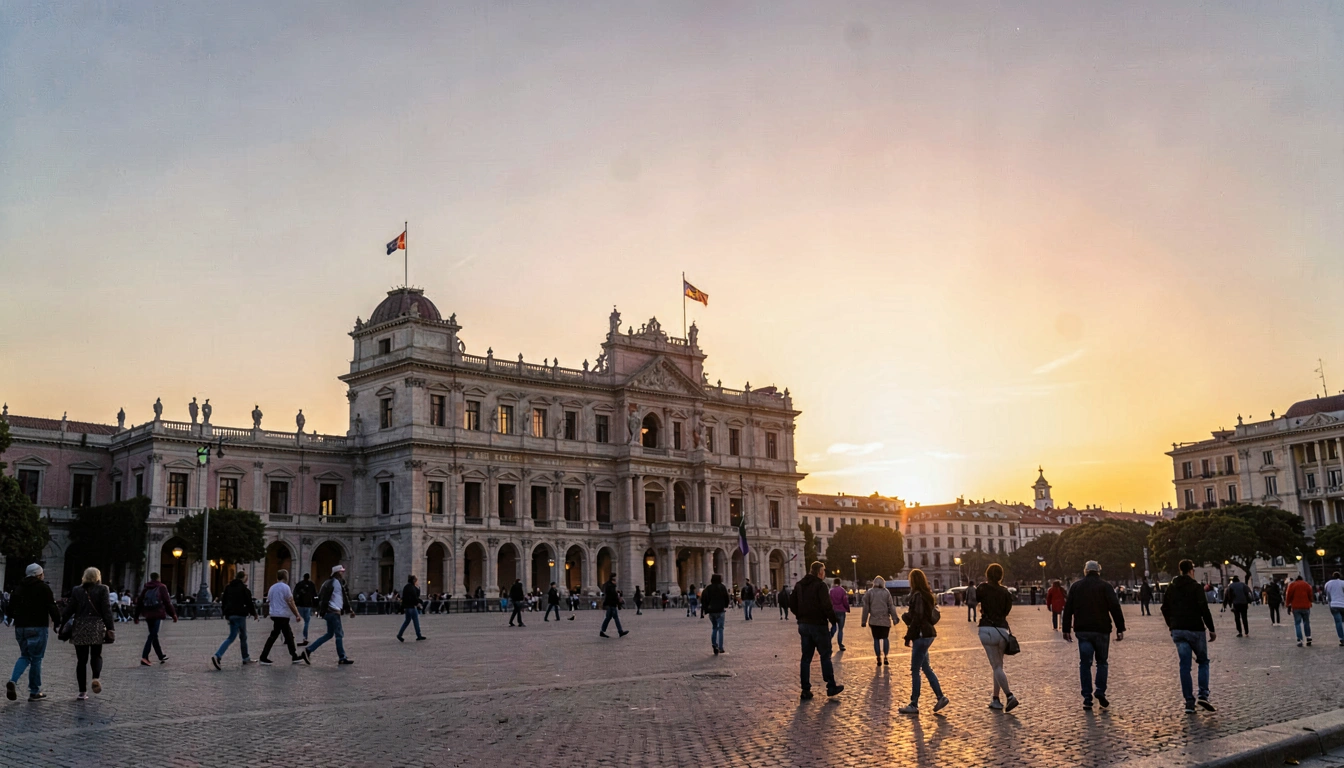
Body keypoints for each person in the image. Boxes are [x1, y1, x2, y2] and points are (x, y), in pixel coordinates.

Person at [1061, 561, 1126, 710]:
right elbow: (1115, 607)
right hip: (1102, 629)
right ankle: (1100, 690)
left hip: (1083, 630)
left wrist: (1066, 629)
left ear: (1085, 571)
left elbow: (1068, 608)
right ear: (1098, 572)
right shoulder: (1105, 586)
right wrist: (1120, 627)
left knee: (1085, 663)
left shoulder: (1076, 587)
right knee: (1102, 662)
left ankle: (1087, 698)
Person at [1161, 559, 1217, 713]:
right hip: (1195, 629)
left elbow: (1164, 607)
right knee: (1203, 661)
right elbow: (1203, 608)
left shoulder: (1172, 587)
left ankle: (1189, 703)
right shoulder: (1196, 587)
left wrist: (1171, 625)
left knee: (1184, 666)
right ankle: (1203, 695)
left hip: (1178, 630)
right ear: (1191, 570)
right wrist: (1211, 628)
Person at [898, 569, 949, 714]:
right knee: (926, 667)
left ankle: (914, 703)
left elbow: (918, 617)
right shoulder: (928, 595)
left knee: (915, 670)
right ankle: (940, 697)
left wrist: (908, 636)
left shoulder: (918, 596)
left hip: (921, 635)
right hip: (928, 634)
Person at [6, 563, 60, 702]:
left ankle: (13, 680)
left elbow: (10, 609)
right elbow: (52, 607)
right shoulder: (43, 588)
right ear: (39, 574)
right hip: (38, 626)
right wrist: (57, 623)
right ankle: (34, 691)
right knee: (36, 659)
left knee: (24, 656)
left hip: (21, 627)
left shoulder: (18, 588)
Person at [791, 561, 843, 699]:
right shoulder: (820, 586)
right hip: (818, 625)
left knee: (806, 658)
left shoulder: (799, 585)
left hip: (804, 624)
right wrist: (833, 620)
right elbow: (827, 605)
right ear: (820, 572)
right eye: (824, 571)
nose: (824, 573)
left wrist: (800, 615)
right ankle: (831, 686)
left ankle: (805, 689)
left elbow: (792, 603)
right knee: (825, 655)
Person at [63, 567, 116, 701]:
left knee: (81, 660)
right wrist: (110, 627)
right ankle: (95, 677)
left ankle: (82, 692)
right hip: (96, 625)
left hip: (80, 626)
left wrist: (61, 622)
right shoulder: (103, 589)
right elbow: (106, 610)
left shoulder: (77, 590)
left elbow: (70, 609)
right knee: (96, 654)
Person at [977, 563, 1019, 712]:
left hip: (987, 628)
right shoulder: (1005, 592)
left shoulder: (982, 588)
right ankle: (995, 698)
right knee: (998, 666)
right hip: (1002, 630)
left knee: (996, 666)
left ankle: (1009, 695)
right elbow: (1007, 610)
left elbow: (973, 598)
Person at [307, 564, 355, 665]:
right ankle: (342, 657)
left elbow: (323, 597)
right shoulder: (337, 583)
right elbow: (343, 598)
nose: (343, 573)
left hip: (328, 612)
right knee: (339, 635)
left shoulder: (327, 582)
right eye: (341, 572)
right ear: (337, 573)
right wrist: (349, 609)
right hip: (333, 612)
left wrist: (322, 611)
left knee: (329, 634)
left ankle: (309, 650)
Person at [257, 569, 307, 665]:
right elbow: (290, 602)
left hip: (274, 614)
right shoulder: (285, 588)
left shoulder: (272, 588)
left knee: (285, 634)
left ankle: (293, 655)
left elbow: (269, 601)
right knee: (281, 635)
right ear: (285, 577)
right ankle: (293, 656)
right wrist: (297, 614)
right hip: (282, 614)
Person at [212, 571, 258, 669]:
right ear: (243, 578)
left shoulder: (228, 588)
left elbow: (224, 601)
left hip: (231, 615)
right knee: (239, 636)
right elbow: (249, 602)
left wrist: (226, 614)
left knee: (235, 636)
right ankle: (218, 655)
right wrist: (254, 614)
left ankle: (244, 657)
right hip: (240, 614)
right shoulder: (244, 589)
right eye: (246, 577)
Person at [133, 571, 177, 666]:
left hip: (148, 614)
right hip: (158, 613)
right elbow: (167, 602)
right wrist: (173, 614)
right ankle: (144, 657)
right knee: (152, 635)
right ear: (158, 578)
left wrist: (136, 616)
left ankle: (160, 655)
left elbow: (140, 602)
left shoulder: (146, 587)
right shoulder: (162, 587)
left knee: (154, 635)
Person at [860, 575, 898, 667]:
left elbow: (866, 607)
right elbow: (891, 606)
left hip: (874, 620)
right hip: (885, 620)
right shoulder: (886, 592)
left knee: (876, 639)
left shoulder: (870, 592)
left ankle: (878, 658)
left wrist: (864, 620)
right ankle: (885, 656)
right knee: (885, 638)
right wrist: (894, 618)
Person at [701, 574, 731, 655]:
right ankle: (721, 647)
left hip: (711, 611)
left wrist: (706, 609)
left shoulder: (708, 588)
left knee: (714, 628)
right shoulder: (722, 587)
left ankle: (714, 644)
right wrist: (725, 605)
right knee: (720, 629)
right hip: (720, 610)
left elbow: (704, 598)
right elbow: (726, 598)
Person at [1285, 575, 1314, 647]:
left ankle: (1299, 639)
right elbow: (1310, 595)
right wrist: (1310, 601)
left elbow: (1288, 595)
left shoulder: (1292, 585)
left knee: (1297, 623)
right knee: (1306, 622)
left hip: (1296, 606)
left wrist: (1288, 604)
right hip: (1305, 606)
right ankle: (1308, 637)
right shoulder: (1307, 585)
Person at [398, 575, 426, 642]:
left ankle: (400, 634)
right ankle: (418, 635)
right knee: (416, 621)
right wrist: (418, 603)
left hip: (407, 607)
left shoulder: (406, 587)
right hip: (412, 607)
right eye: (416, 581)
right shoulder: (413, 588)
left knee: (407, 621)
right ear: (414, 581)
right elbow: (415, 596)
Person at [599, 574, 629, 638]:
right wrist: (618, 602)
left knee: (608, 618)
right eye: (615, 580)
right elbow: (613, 596)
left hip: (610, 604)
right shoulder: (611, 587)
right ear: (612, 580)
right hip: (612, 605)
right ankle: (620, 631)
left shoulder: (608, 586)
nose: (616, 582)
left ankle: (602, 631)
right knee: (616, 618)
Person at [293, 573, 317, 645]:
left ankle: (299, 637)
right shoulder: (311, 584)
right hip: (308, 605)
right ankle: (304, 637)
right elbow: (314, 595)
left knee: (300, 622)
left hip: (300, 605)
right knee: (306, 622)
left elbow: (294, 593)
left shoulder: (299, 584)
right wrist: (315, 605)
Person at [828, 578, 850, 652]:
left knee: (834, 626)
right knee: (840, 629)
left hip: (833, 610)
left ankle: (828, 640)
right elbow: (845, 601)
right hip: (841, 610)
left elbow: (829, 601)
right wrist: (847, 608)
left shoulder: (831, 591)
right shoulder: (842, 590)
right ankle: (840, 644)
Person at [1324, 571, 1344, 646]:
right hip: (1343, 604)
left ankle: (1341, 638)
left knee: (1338, 622)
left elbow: (1328, 596)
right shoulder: (1342, 583)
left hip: (1334, 604)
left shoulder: (1328, 584)